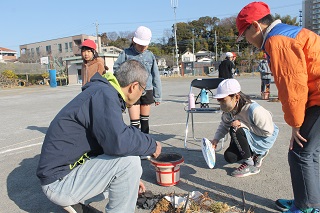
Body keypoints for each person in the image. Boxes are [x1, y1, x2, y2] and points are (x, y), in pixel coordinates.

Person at [36, 59, 162, 213]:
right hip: (58, 183)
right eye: (142, 91)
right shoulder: (104, 96)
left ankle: (76, 202)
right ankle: (73, 199)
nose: (141, 95)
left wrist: (132, 180)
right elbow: (119, 141)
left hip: (64, 173)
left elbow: (109, 142)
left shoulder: (103, 92)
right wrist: (151, 144)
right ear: (134, 86)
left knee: (128, 170)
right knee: (130, 163)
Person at [236, 2, 320, 212]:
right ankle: (309, 200)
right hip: (316, 95)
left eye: (244, 34)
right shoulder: (289, 33)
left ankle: (307, 207)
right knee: (312, 152)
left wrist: (296, 124)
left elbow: (293, 87)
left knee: (299, 153)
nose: (247, 41)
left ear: (256, 26)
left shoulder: (278, 41)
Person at [210, 79, 279, 177]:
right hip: (249, 135)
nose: (221, 103)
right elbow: (224, 125)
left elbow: (268, 132)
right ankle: (255, 154)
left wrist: (243, 125)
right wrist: (215, 140)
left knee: (235, 128)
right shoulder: (229, 109)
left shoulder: (254, 110)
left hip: (264, 139)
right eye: (219, 100)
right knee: (230, 157)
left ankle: (251, 165)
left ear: (236, 97)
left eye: (223, 100)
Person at [113, 26, 162, 134]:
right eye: (140, 45)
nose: (142, 48)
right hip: (131, 90)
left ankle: (145, 145)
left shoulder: (150, 55)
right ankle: (134, 145)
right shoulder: (126, 53)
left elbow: (156, 76)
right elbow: (116, 69)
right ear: (134, 41)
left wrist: (157, 95)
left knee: (145, 121)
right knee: (134, 123)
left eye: (145, 45)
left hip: (147, 90)